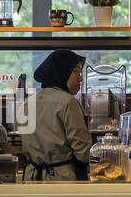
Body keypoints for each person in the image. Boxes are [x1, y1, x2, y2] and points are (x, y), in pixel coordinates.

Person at [20, 49, 92, 181]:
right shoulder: (68, 103)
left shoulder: (27, 103)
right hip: (61, 179)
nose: (80, 78)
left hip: (31, 178)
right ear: (61, 72)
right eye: (75, 71)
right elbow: (83, 153)